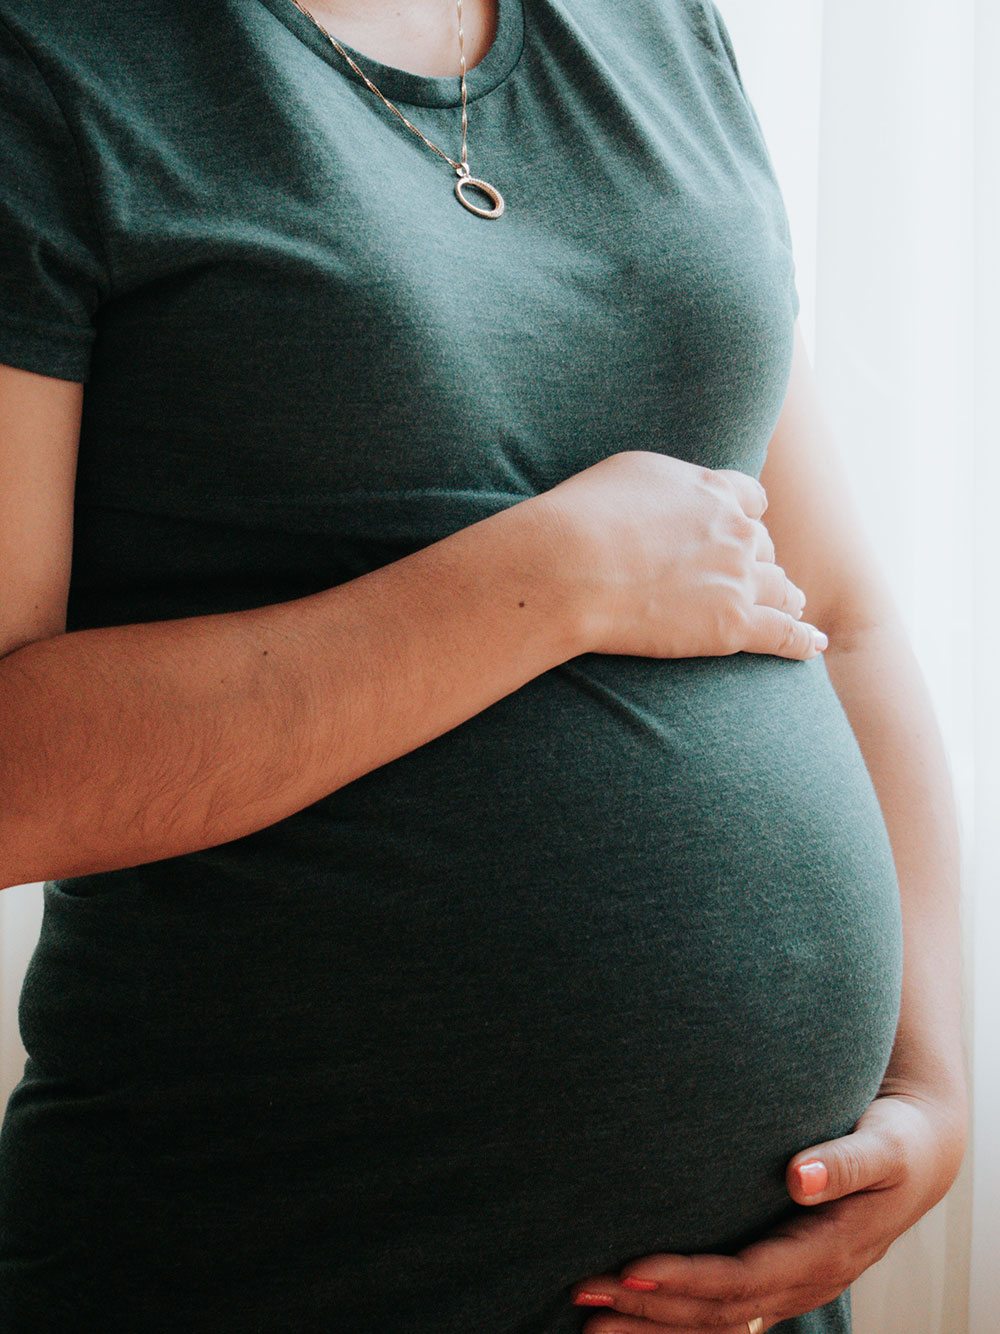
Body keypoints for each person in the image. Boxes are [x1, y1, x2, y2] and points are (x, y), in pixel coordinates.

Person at [0, 0, 966, 1330]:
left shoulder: (660, 25)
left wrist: (934, 1079)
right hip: (276, 1261)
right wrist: (549, 583)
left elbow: (840, 606)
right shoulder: (52, 62)